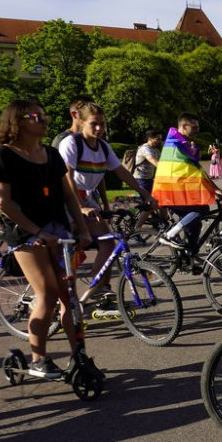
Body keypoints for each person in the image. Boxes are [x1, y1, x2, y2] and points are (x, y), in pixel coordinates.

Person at [0, 99, 92, 377]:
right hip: (25, 233)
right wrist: (37, 231)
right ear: (18, 121)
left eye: (45, 115)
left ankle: (79, 358)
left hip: (58, 231)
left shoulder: (51, 153)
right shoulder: (4, 155)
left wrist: (81, 229)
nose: (44, 120)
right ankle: (38, 359)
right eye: (36, 115)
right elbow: (5, 203)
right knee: (46, 294)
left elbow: (69, 194)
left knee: (69, 297)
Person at [59, 101, 158, 296]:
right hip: (66, 200)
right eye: (93, 124)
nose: (99, 128)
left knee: (108, 243)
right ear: (81, 123)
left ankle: (99, 290)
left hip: (88, 199)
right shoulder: (71, 143)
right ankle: (57, 295)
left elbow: (121, 172)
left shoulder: (103, 146)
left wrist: (146, 194)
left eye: (102, 124)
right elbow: (66, 176)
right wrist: (80, 207)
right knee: (69, 248)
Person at [152, 113, 219, 258]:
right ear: (183, 126)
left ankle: (189, 256)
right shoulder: (176, 144)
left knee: (194, 224)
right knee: (202, 208)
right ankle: (169, 235)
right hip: (169, 190)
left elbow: (195, 169)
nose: (197, 130)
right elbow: (196, 170)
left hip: (171, 188)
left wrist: (215, 188)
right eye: (194, 127)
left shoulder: (179, 141)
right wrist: (215, 189)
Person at [133, 129, 164, 230]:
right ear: (150, 138)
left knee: (163, 202)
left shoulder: (156, 149)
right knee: (150, 204)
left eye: (161, 139)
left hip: (149, 179)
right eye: (158, 139)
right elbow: (155, 163)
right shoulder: (145, 149)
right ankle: (136, 230)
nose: (160, 141)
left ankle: (163, 224)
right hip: (140, 180)